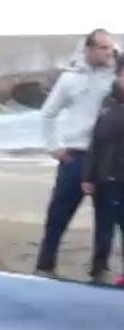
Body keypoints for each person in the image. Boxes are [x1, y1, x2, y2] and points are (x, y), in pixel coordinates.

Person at [35, 29, 117, 280]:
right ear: (89, 49)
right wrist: (54, 148)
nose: (109, 52)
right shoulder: (71, 79)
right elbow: (48, 113)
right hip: (76, 155)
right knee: (59, 213)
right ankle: (45, 265)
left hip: (107, 158)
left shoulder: (117, 76)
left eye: (111, 47)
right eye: (103, 47)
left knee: (106, 218)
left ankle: (99, 269)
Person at [82, 54, 124, 283]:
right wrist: (88, 175)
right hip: (105, 179)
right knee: (103, 229)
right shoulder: (107, 103)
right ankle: (98, 271)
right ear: (118, 75)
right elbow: (95, 142)